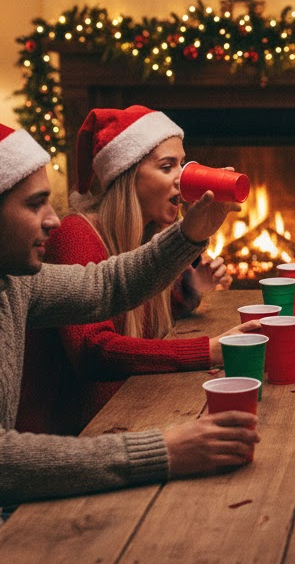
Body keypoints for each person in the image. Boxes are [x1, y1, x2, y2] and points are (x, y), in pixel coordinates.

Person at [0, 122, 260, 564]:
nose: (52, 221)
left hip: (10, 510)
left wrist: (189, 234)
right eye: (35, 205)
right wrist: (163, 450)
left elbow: (104, 285)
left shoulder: (14, 280)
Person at [17, 105, 256, 435]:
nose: (182, 177)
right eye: (167, 166)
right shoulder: (75, 234)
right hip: (74, 433)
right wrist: (209, 350)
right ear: (127, 175)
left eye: (182, 164)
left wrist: (187, 293)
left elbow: (127, 310)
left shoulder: (146, 233)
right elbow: (94, 351)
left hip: (128, 409)